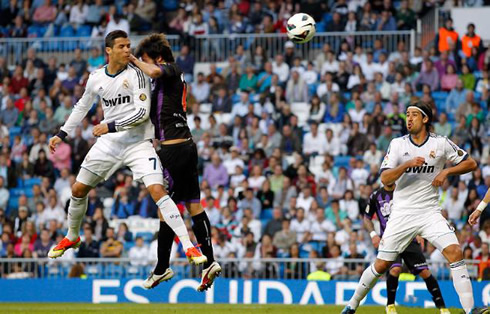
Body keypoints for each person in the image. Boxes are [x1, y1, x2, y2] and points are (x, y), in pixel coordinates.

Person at [47, 31, 205, 268]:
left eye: (129, 45)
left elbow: (141, 114)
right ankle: (72, 236)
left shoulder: (138, 75)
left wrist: (108, 126)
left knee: (158, 191)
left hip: (138, 144)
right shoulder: (96, 77)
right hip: (109, 145)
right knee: (78, 189)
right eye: (122, 46)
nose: (127, 50)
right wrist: (62, 133)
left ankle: (188, 245)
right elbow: (82, 106)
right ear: (108, 50)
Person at [342, 101, 481, 314]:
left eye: (414, 115)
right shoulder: (398, 144)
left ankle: (470, 310)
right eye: (407, 114)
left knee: (455, 251)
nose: (409, 118)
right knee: (381, 265)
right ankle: (352, 305)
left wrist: (446, 172)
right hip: (402, 213)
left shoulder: (441, 143)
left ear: (425, 119)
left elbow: (471, 163)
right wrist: (406, 165)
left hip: (429, 212)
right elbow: (384, 177)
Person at [130, 33, 221, 292]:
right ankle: (209, 262)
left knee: (164, 206)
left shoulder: (171, 69)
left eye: (148, 61)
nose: (146, 67)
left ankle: (161, 267)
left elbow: (154, 72)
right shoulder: (168, 80)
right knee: (193, 204)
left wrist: (135, 60)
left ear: (158, 59)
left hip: (172, 151)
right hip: (187, 147)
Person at [364, 184, 449, 314]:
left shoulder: (405, 191)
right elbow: (367, 217)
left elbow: (417, 212)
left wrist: (420, 232)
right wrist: (373, 234)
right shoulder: (376, 196)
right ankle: (390, 306)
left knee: (425, 272)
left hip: (409, 237)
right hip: (391, 240)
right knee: (395, 269)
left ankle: (442, 307)